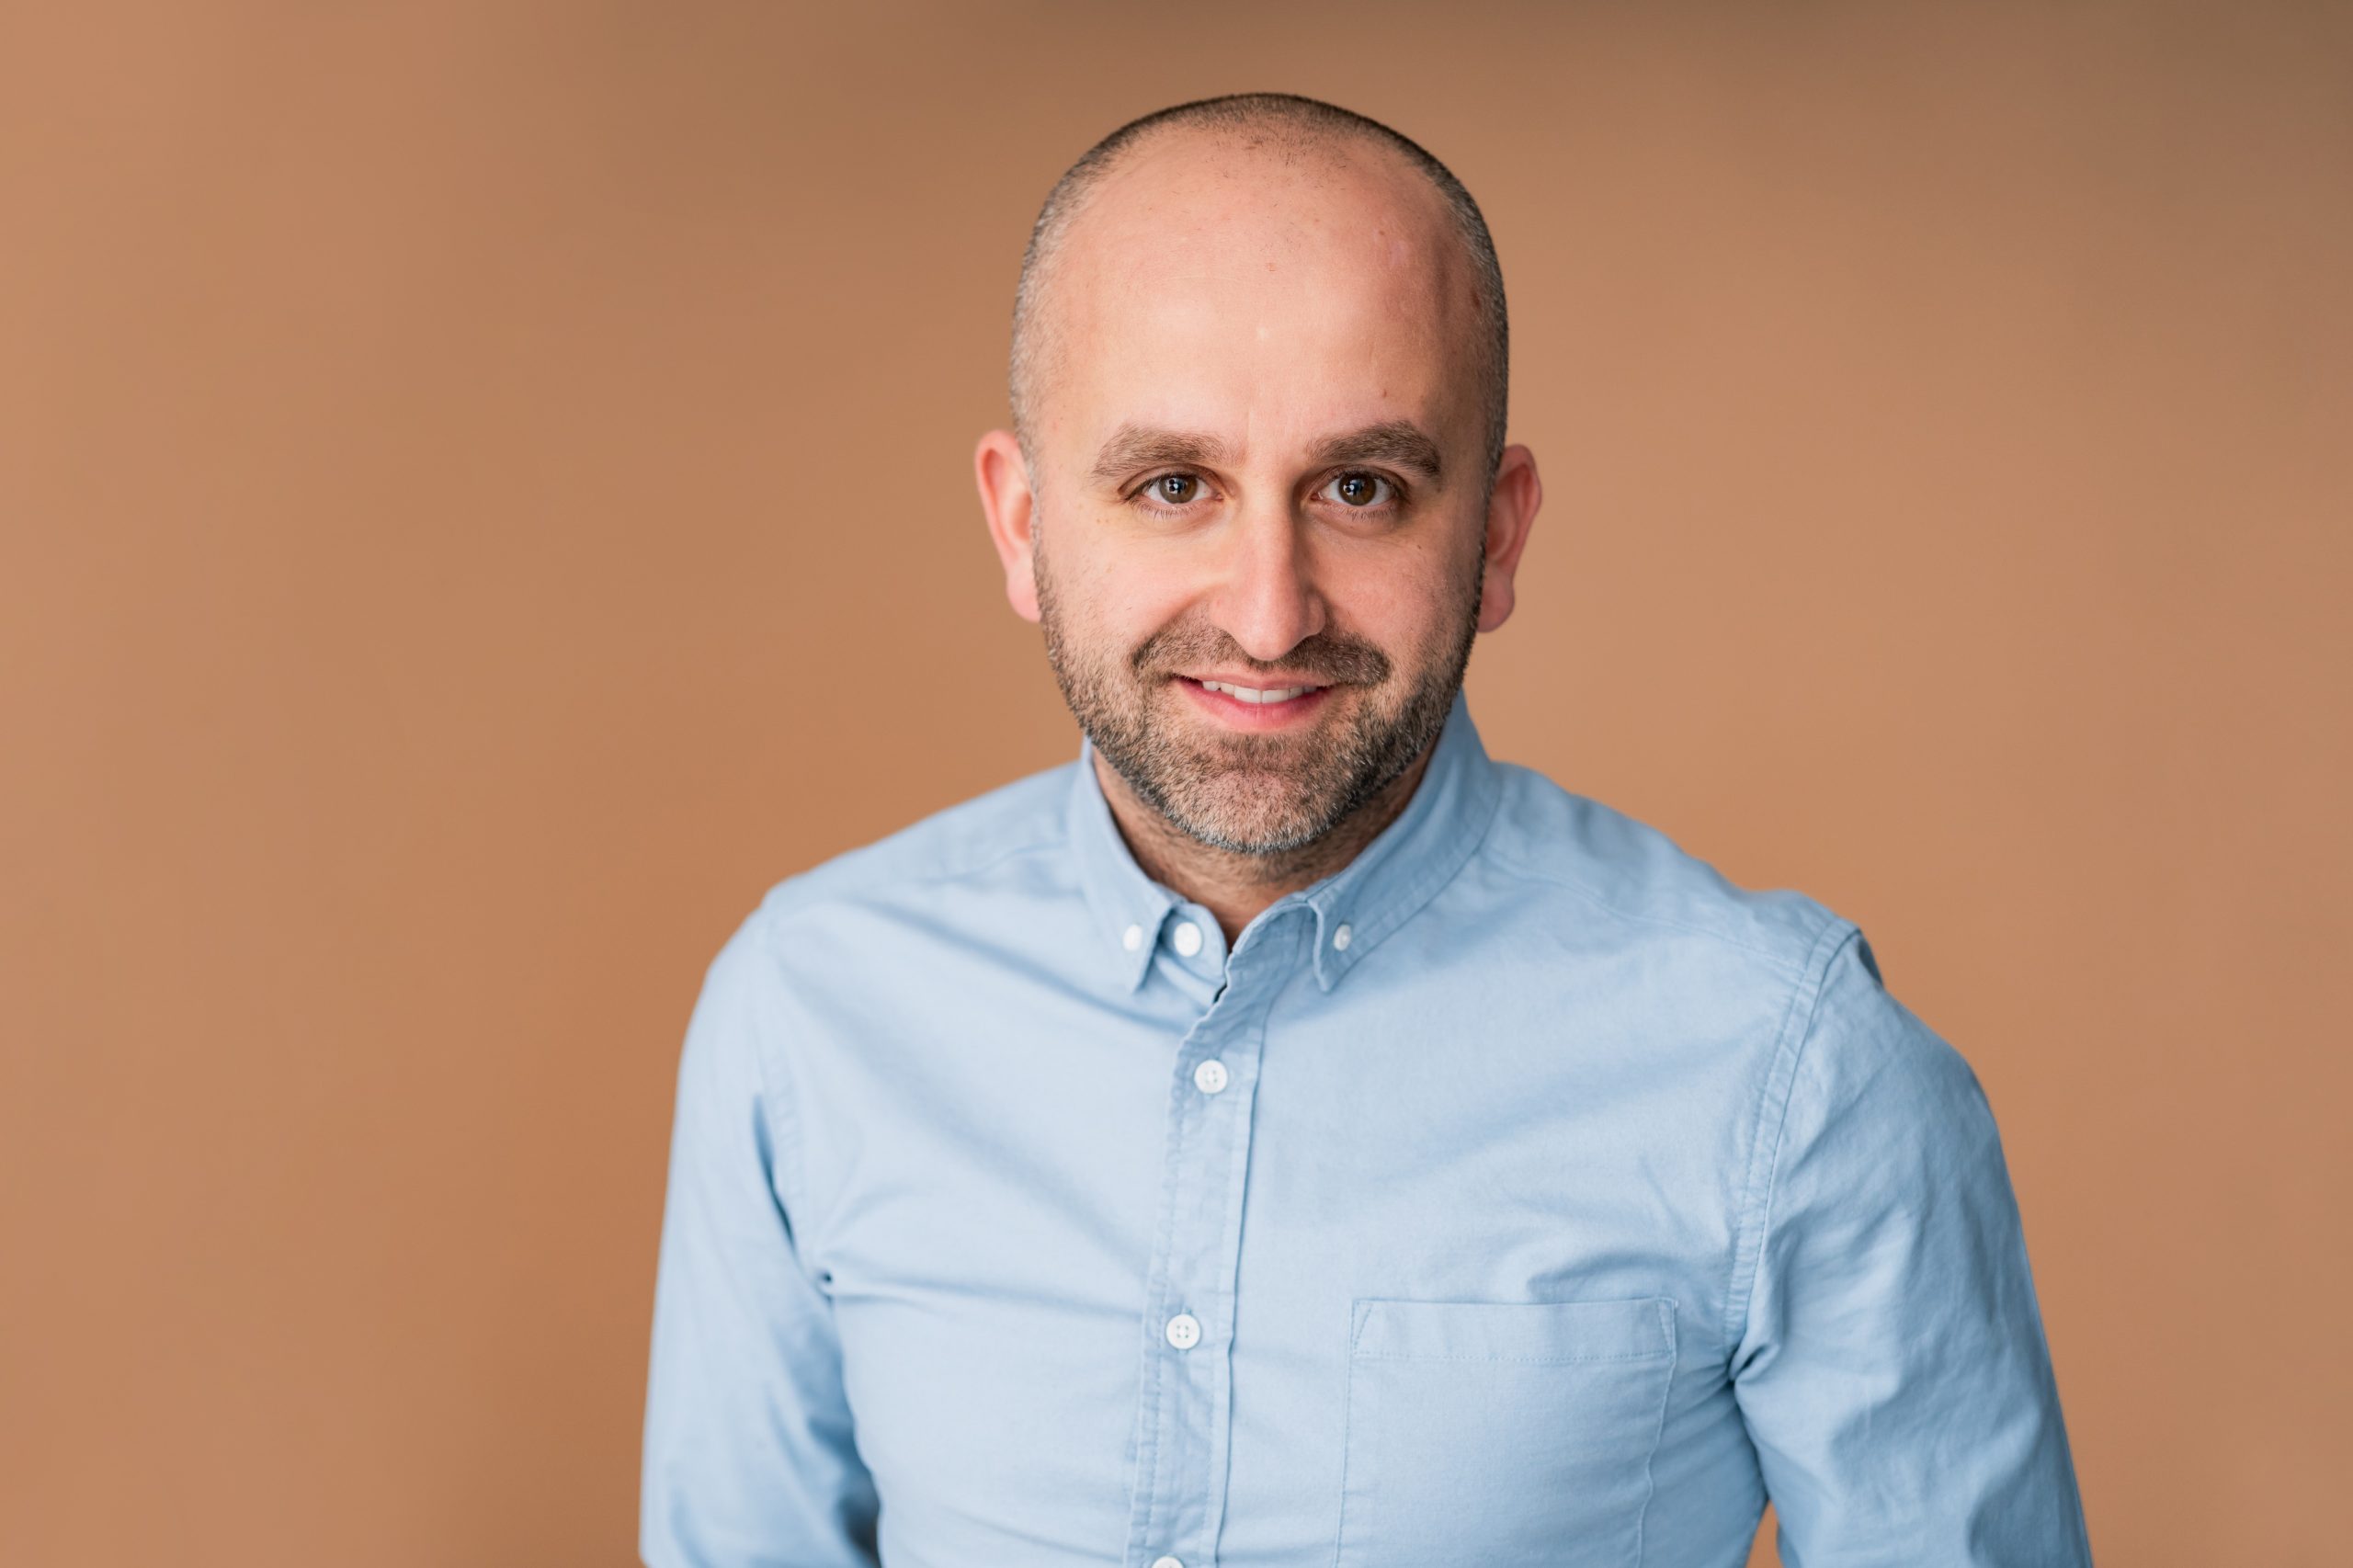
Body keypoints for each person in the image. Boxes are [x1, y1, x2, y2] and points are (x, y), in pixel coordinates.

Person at [639, 93, 2092, 1568]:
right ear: (1023, 526)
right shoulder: (805, 1015)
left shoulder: (1798, 1069)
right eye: (1172, 485)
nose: (1270, 615)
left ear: (1498, 534)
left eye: (1360, 488)